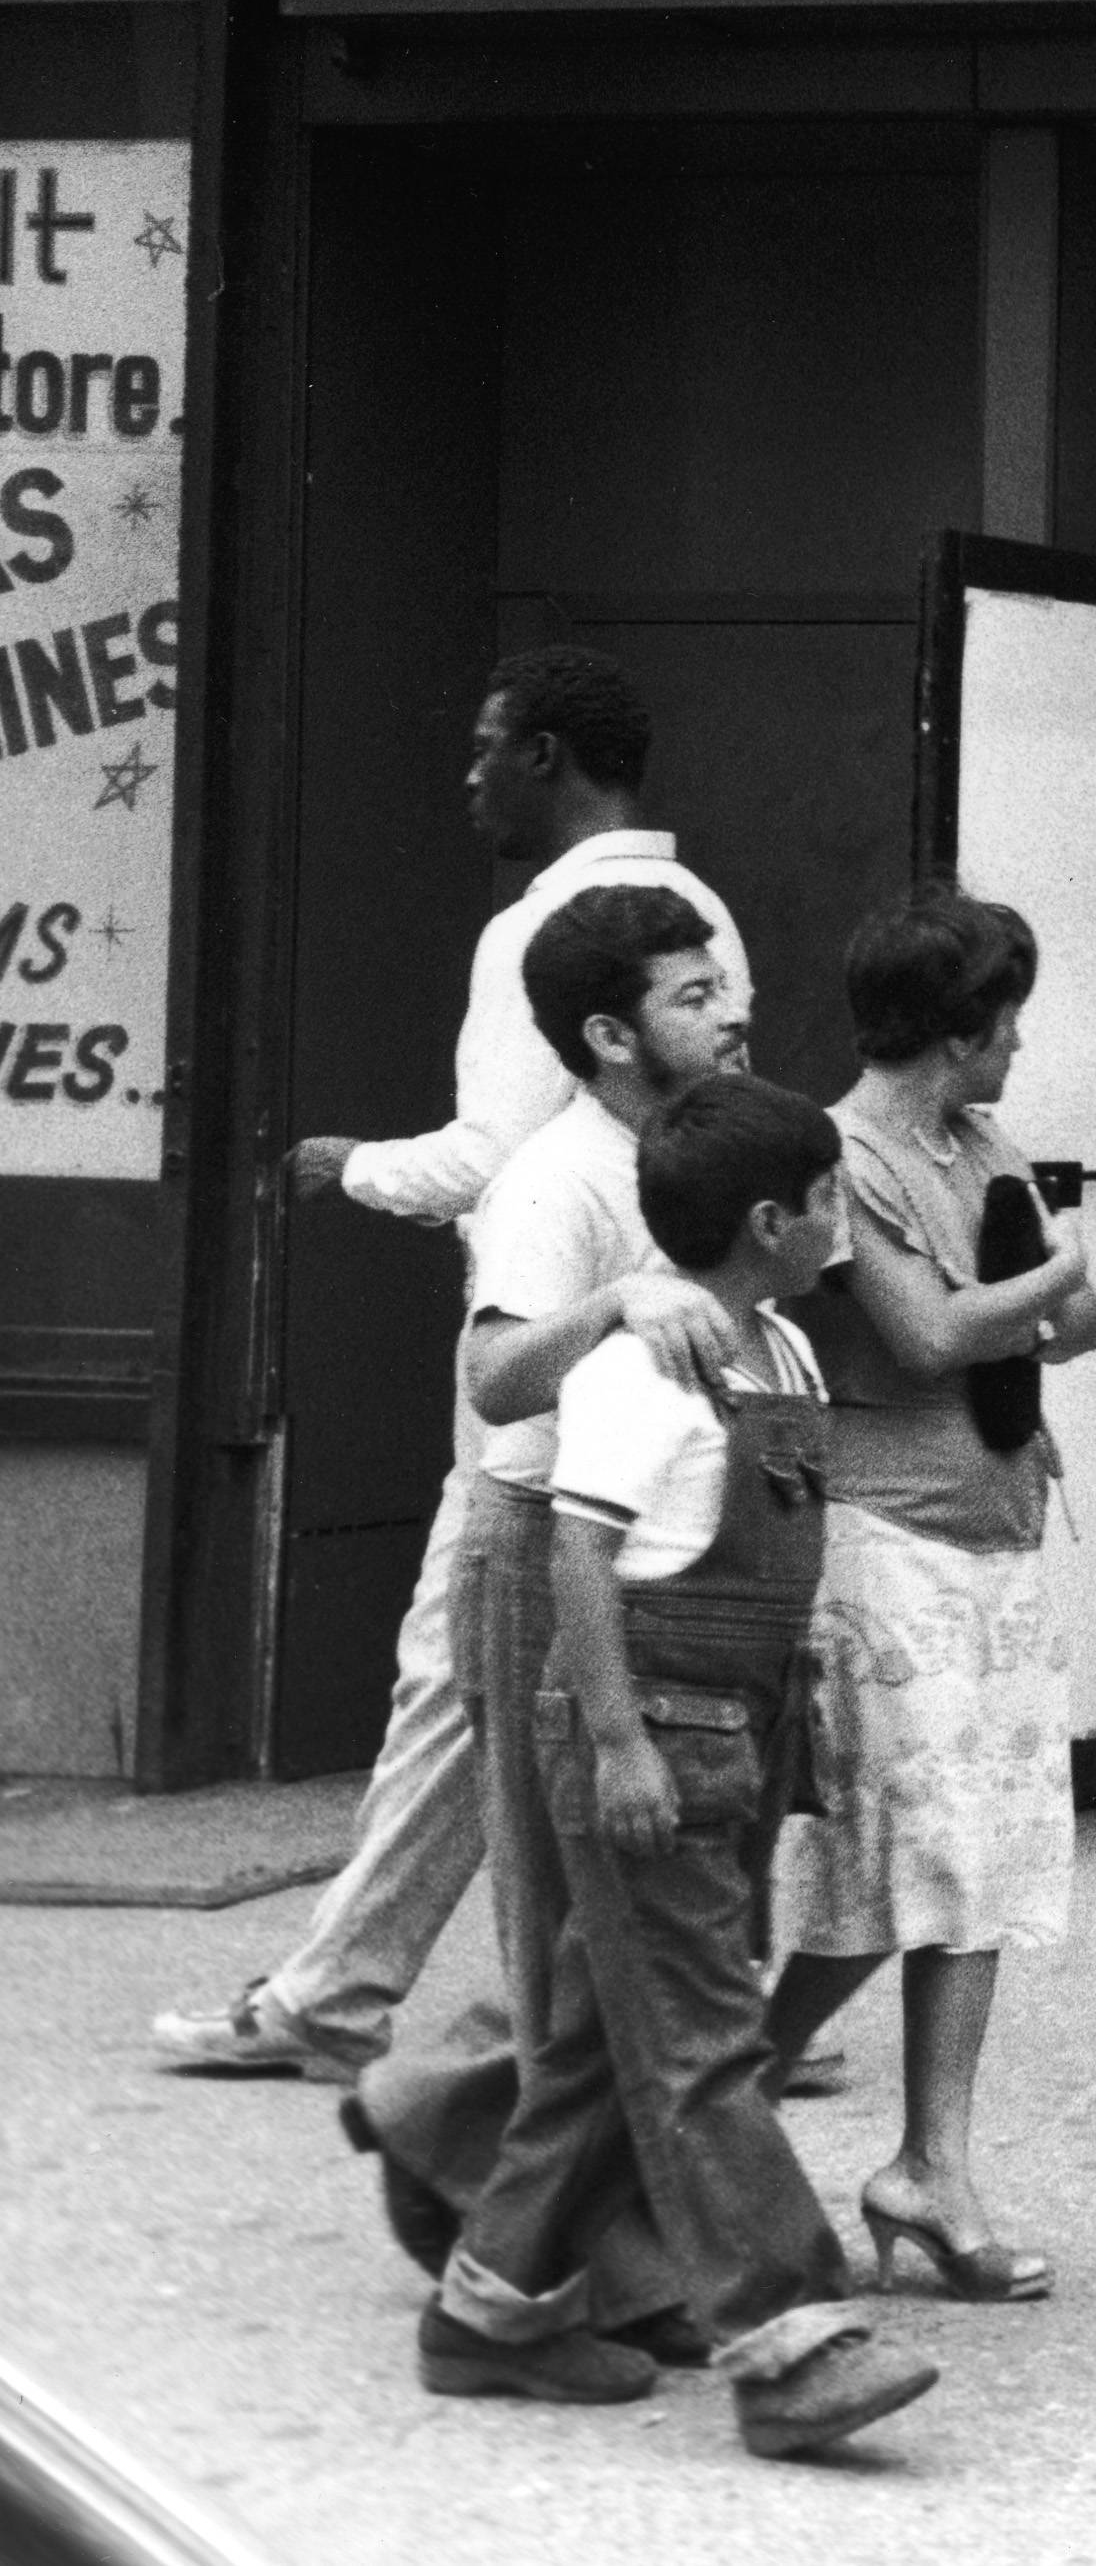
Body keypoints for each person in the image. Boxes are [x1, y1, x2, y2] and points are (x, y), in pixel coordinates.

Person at [157, 648, 752, 2083]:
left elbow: (491, 1160)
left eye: (489, 746)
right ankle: (696, 1991)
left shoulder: (535, 930)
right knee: (642, 1669)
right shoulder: (706, 921)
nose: (470, 774)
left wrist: (348, 1166)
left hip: (546, 1354)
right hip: (682, 1349)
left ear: (545, 755)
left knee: (459, 1671)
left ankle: (337, 2000)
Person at [422, 1074, 939, 2460]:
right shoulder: (643, 1367)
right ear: (774, 1221)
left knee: (604, 2047)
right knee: (707, 2042)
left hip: (735, 1736)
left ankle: (488, 2311)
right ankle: (791, 2341)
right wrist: (615, 1746)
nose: (842, 1219)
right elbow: (580, 1556)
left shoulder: (786, 1350)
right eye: (830, 1198)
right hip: (651, 1735)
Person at [346, 885, 755, 2339]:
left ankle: (444, 2118)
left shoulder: (703, 1155)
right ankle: (581, 2260)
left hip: (670, 1561)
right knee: (566, 1926)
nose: (733, 1013)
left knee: (635, 1938)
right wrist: (618, 1307)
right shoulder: (557, 1177)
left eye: (725, 986)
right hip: (540, 1552)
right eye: (695, 996)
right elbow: (497, 1378)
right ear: (610, 1034)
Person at [762, 888, 1096, 2305]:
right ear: (956, 1033)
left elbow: (1075, 1328)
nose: (1020, 1043)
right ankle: (722, 2088)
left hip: (994, 1532)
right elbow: (922, 1334)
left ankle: (932, 2168)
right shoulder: (843, 1159)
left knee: (981, 1865)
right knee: (892, 1853)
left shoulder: (981, 1143)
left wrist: (1034, 1298)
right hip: (884, 1538)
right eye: (1006, 1020)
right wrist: (1048, 1277)